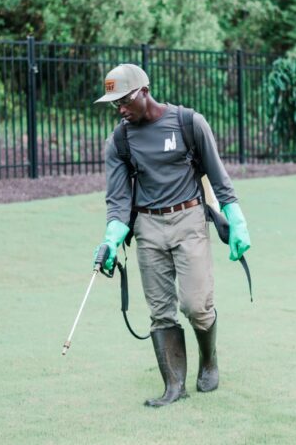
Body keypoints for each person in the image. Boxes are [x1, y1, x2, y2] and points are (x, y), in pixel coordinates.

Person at [93, 63, 252, 407]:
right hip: (148, 227)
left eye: (123, 100)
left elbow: (219, 177)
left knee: (196, 305)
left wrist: (235, 219)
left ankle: (208, 361)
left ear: (143, 92)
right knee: (161, 312)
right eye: (113, 104)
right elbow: (118, 201)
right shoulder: (119, 140)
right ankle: (173, 386)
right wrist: (110, 240)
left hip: (190, 218)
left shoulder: (188, 123)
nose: (119, 109)